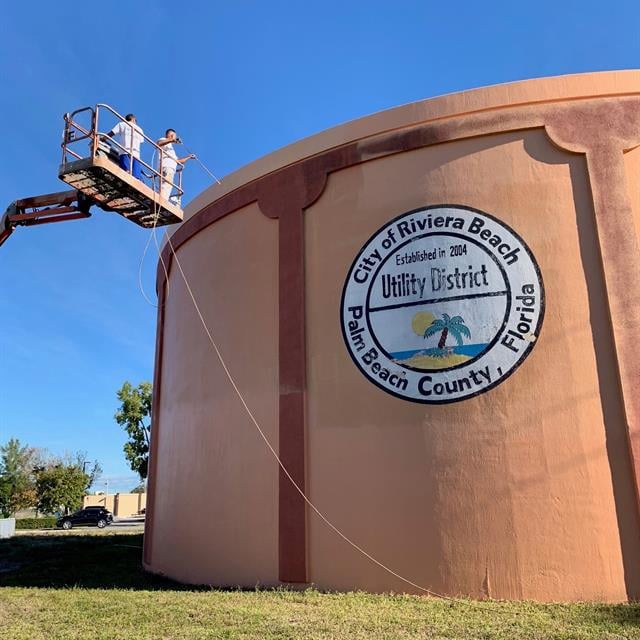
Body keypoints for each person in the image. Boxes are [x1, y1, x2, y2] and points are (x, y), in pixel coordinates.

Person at [156, 129, 195, 201]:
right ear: (170, 135)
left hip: (170, 168)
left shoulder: (171, 149)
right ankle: (161, 202)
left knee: (166, 185)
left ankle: (161, 200)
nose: (175, 137)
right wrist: (172, 140)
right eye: (174, 135)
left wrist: (189, 157)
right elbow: (158, 144)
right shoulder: (163, 139)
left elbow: (178, 161)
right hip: (166, 166)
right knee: (167, 185)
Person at [107, 113, 145, 180]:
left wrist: (103, 138)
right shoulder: (140, 130)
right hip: (136, 155)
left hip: (124, 151)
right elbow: (141, 141)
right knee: (136, 176)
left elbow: (112, 133)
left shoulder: (122, 124)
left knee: (125, 172)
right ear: (133, 119)